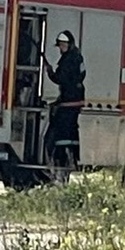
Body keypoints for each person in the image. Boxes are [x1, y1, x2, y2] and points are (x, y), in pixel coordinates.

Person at [44, 30, 86, 168]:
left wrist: (50, 72)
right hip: (74, 100)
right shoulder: (78, 57)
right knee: (71, 130)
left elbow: (61, 79)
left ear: (69, 45)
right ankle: (70, 158)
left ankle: (61, 159)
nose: (61, 49)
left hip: (69, 101)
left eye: (62, 45)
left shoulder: (68, 59)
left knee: (62, 131)